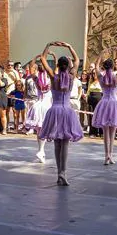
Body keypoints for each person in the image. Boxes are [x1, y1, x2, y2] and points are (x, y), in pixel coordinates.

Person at [38, 41, 83, 186]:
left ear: (58, 66)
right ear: (67, 66)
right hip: (67, 110)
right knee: (65, 144)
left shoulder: (53, 76)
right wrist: (69, 46)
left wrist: (48, 45)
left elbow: (43, 59)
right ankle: (63, 172)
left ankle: (59, 173)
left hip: (55, 110)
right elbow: (76, 61)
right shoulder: (71, 77)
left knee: (57, 144)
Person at [92, 47, 117, 165]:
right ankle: (110, 155)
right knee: (112, 132)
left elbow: (96, 66)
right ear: (112, 67)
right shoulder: (116, 78)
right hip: (114, 103)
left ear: (104, 67)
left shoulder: (101, 77)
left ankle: (106, 155)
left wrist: (101, 54)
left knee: (105, 132)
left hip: (104, 103)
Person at [30, 55, 54, 163]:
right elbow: (55, 68)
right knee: (43, 129)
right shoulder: (50, 80)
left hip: (38, 105)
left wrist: (34, 58)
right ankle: (41, 151)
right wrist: (54, 57)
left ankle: (41, 150)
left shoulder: (36, 80)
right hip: (46, 106)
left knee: (40, 130)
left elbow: (31, 70)